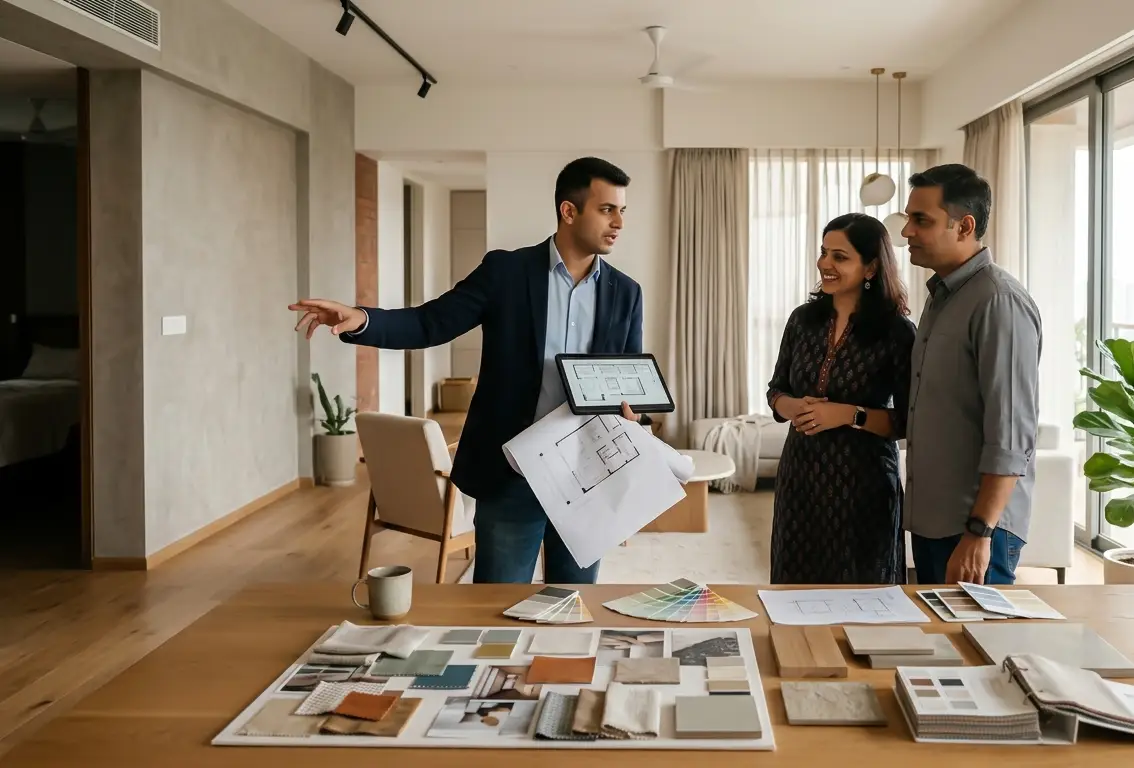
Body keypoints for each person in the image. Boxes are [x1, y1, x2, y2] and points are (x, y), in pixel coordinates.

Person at [289, 156, 648, 585]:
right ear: (568, 211)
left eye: (622, 210)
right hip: (511, 474)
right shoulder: (506, 273)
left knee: (574, 606)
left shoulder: (626, 293)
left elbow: (629, 381)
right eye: (607, 209)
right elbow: (430, 322)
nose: (619, 222)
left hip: (586, 476)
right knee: (493, 611)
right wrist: (363, 319)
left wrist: (635, 417)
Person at [900, 163, 1042, 586]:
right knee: (942, 646)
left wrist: (979, 533)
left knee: (979, 648)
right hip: (933, 521)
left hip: (976, 530)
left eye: (920, 220)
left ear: (963, 226)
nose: (906, 231)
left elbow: (1012, 435)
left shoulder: (998, 301)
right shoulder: (942, 296)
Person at [766, 213, 916, 585]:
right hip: (800, 479)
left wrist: (849, 415)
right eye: (823, 253)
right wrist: (792, 407)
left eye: (839, 256)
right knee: (794, 591)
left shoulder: (897, 333)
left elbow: (908, 421)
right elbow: (776, 390)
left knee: (862, 596)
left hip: (862, 486)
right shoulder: (802, 320)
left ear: (871, 267)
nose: (825, 264)